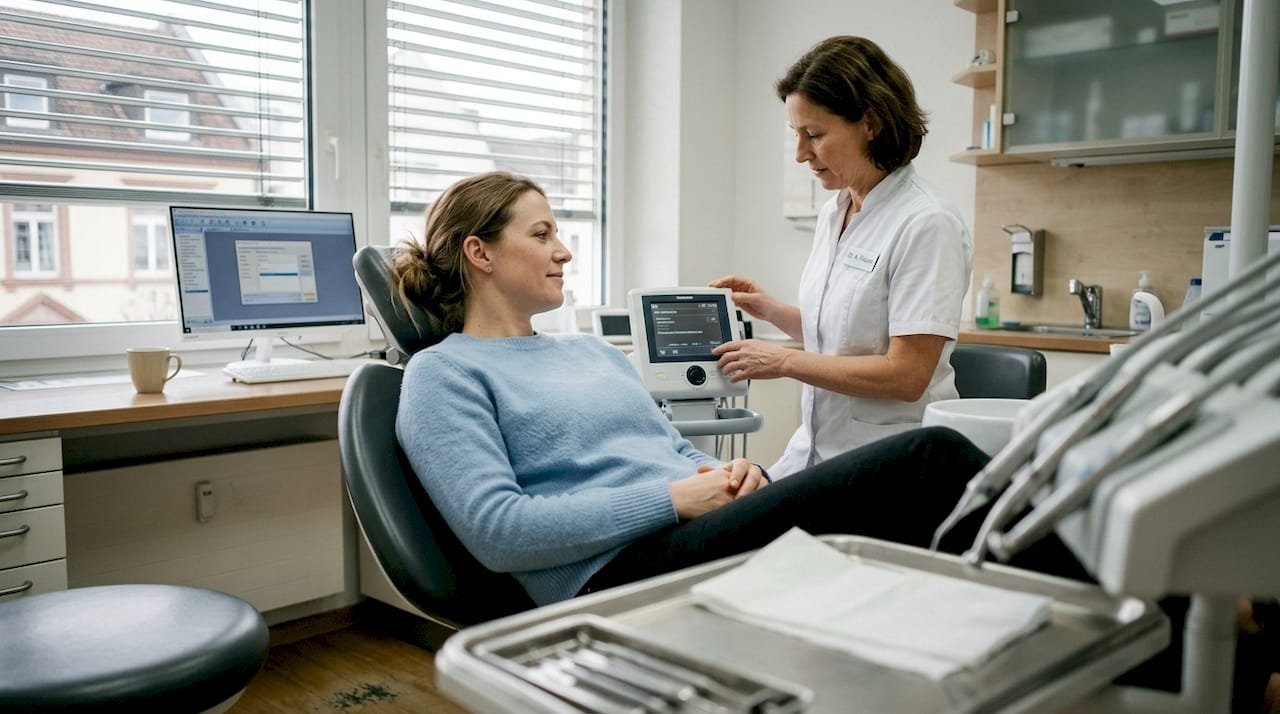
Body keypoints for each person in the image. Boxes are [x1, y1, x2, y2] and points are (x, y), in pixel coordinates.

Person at [392, 171, 1081, 609]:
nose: (564, 251)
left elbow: (670, 451)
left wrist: (724, 472)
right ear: (479, 253)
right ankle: (1133, 635)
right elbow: (498, 534)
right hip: (613, 574)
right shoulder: (443, 374)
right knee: (929, 461)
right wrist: (672, 498)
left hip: (690, 525)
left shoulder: (593, 353)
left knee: (922, 514)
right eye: (541, 234)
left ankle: (1045, 630)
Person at [710, 36, 973, 478]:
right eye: (796, 135)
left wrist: (782, 362)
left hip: (887, 462)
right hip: (814, 451)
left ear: (870, 122)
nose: (800, 154)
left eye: (814, 135)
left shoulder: (926, 222)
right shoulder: (836, 211)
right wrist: (772, 310)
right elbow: (847, 335)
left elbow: (906, 375)